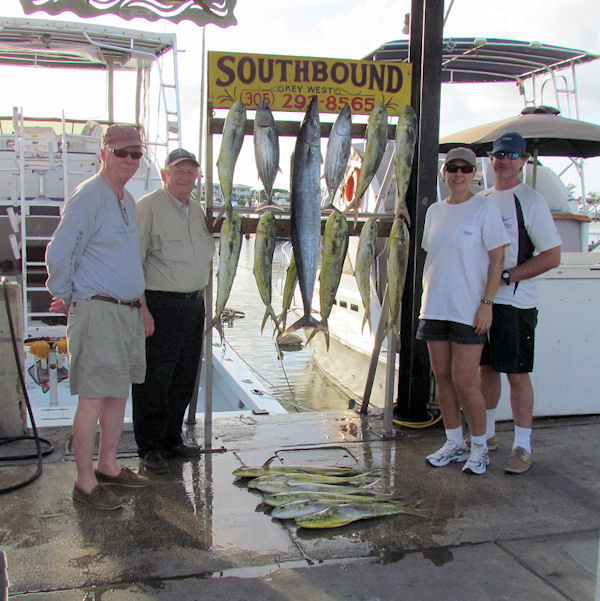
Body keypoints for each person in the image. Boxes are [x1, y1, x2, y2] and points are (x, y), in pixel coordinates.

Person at [46, 124, 150, 511]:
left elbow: (126, 260)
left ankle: (108, 465)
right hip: (99, 309)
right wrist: (68, 295)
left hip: (126, 312)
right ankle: (85, 482)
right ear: (103, 153)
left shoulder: (126, 198)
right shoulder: (89, 196)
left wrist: (141, 306)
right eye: (120, 152)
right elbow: (59, 253)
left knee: (117, 392)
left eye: (135, 153)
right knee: (92, 398)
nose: (129, 160)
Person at [417, 147, 510, 475]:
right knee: (442, 377)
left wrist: (487, 304)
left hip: (469, 310)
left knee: (466, 381)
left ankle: (480, 446)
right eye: (453, 168)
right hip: (435, 307)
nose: (459, 174)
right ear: (445, 172)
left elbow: (498, 259)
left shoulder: (485, 209)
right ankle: (454, 441)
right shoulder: (434, 211)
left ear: (473, 173)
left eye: (466, 169)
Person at [480, 132, 561, 474]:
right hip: (483, 303)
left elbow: (553, 256)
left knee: (517, 374)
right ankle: (485, 435)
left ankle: (523, 446)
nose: (504, 161)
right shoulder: (482, 199)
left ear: (523, 160)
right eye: (499, 155)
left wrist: (510, 276)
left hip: (517, 305)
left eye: (511, 155)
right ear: (491, 159)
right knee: (485, 370)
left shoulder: (531, 201)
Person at [132, 148, 215, 474]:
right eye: (178, 171)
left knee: (183, 378)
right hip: (159, 305)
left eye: (190, 172)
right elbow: (133, 262)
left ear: (197, 177)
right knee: (154, 379)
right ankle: (149, 446)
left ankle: (171, 439)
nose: (185, 177)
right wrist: (142, 309)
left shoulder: (196, 209)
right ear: (165, 174)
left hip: (193, 305)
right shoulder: (148, 207)